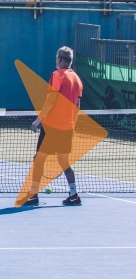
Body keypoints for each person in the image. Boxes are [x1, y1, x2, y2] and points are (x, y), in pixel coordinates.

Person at [22, 46, 84, 207]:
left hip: (52, 127)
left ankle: (33, 195)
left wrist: (37, 121)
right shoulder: (77, 79)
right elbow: (77, 105)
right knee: (64, 161)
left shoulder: (57, 75)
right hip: (67, 127)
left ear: (60, 60)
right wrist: (73, 126)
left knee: (39, 160)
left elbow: (50, 101)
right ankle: (74, 194)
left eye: (57, 58)